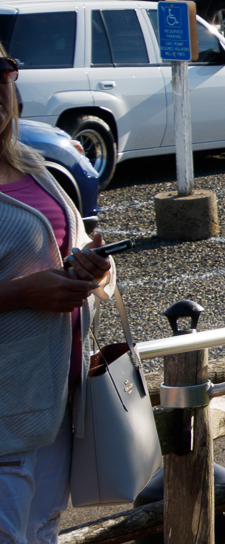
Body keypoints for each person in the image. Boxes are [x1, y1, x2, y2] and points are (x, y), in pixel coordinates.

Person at [0, 48, 113, 544]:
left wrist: (92, 266)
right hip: (5, 411)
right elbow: (30, 284)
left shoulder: (32, 165)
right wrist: (24, 293)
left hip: (58, 402)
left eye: (2, 72)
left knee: (42, 530)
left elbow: (71, 244)